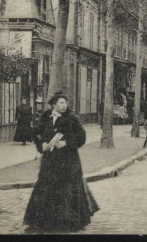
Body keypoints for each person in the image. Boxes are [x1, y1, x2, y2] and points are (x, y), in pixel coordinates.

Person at [23, 92, 99, 232]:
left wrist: (67, 143)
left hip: (68, 161)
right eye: (61, 103)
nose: (64, 105)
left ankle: (68, 222)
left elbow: (81, 136)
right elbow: (37, 133)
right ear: (53, 104)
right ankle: (43, 221)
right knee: (46, 187)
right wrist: (42, 144)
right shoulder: (45, 117)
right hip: (50, 161)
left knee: (67, 189)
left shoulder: (71, 118)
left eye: (65, 103)